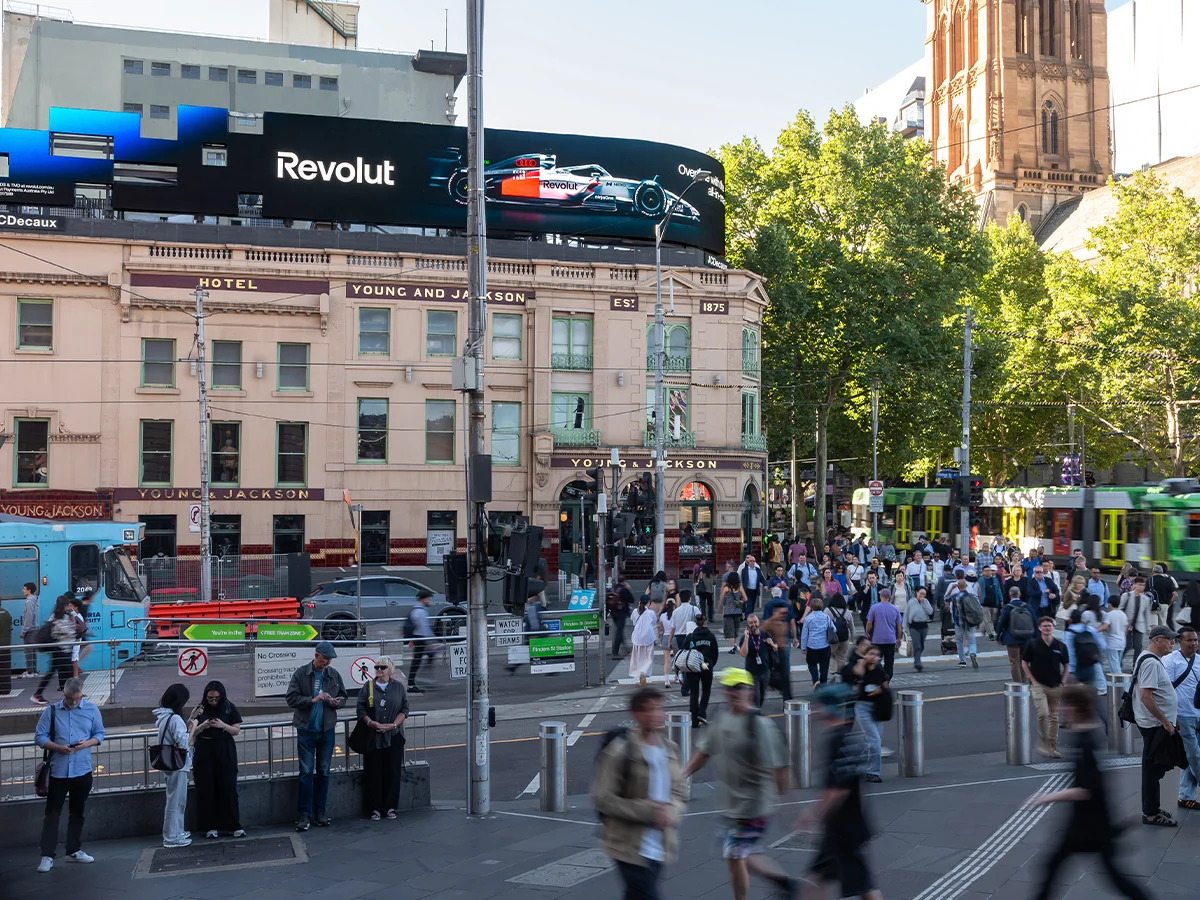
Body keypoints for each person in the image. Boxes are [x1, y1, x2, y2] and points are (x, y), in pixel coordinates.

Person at [1028, 685, 1153, 900]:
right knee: (1109, 876)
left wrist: (1045, 798)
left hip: (1087, 825)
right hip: (1092, 822)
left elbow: (1084, 790)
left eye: (1066, 705)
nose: (1063, 709)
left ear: (1076, 708)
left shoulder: (1085, 743)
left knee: (1055, 867)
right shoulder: (1088, 737)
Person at [683, 669, 795, 900]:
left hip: (755, 804)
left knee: (735, 854)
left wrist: (786, 803)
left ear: (749, 691)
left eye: (738, 688)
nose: (733, 693)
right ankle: (776, 884)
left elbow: (779, 767)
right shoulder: (721, 717)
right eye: (729, 688)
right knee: (736, 856)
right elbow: (705, 751)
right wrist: (682, 774)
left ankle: (784, 883)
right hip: (732, 804)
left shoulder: (759, 725)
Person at [593, 687, 688, 900]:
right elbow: (602, 798)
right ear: (635, 714)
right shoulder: (621, 751)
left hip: (661, 844)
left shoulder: (670, 749)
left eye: (657, 708)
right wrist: (648, 811)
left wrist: (671, 812)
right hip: (626, 845)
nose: (654, 714)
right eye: (647, 710)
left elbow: (680, 792)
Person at [34, 677, 104, 873]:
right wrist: (58, 747)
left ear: (82, 695)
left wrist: (87, 744)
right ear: (63, 694)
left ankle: (73, 850)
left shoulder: (91, 709)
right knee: (52, 815)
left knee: (77, 812)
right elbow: (39, 736)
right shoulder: (52, 710)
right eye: (68, 699)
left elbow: (99, 733)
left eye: (76, 699)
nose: (72, 703)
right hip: (58, 771)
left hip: (82, 769)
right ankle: (47, 855)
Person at [285, 640, 346, 831]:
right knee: (306, 773)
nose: (327, 663)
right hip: (306, 730)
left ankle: (320, 812)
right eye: (325, 659)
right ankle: (304, 814)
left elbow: (344, 696)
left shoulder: (333, 675)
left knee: (324, 772)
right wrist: (313, 699)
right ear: (316, 655)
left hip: (326, 730)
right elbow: (291, 698)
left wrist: (338, 702)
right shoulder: (301, 674)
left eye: (329, 660)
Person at [1132, 625, 1180, 826]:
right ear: (1157, 640)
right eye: (1169, 639)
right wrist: (1165, 722)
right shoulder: (1151, 663)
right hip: (1154, 725)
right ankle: (1150, 813)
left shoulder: (1148, 658)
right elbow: (1146, 696)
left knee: (1154, 767)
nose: (1172, 643)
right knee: (1152, 769)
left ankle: (1152, 808)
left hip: (1152, 723)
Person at [356, 655, 409, 820]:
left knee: (392, 772)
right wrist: (371, 723)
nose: (378, 670)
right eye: (376, 667)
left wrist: (393, 725)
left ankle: (390, 806)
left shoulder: (398, 687)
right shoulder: (368, 687)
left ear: (389, 670)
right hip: (374, 736)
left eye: (382, 667)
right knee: (373, 772)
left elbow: (405, 709)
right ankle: (375, 808)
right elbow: (360, 709)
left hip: (393, 735)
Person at [190, 680, 244, 839]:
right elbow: (191, 732)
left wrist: (222, 725)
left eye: (216, 698)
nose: (213, 701)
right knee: (206, 789)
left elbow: (236, 730)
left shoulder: (229, 707)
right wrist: (203, 726)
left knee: (228, 787)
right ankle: (209, 826)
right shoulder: (199, 709)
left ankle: (233, 825)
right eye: (210, 698)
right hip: (204, 749)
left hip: (224, 749)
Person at [1021, 617, 1070, 758]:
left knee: (1054, 717)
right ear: (1039, 628)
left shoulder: (1060, 646)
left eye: (1049, 626)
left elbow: (1066, 664)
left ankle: (1052, 747)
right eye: (1044, 626)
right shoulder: (1033, 644)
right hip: (1039, 685)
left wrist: (1063, 681)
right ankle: (1043, 742)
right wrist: (1032, 680)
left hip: (1056, 685)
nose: (1047, 628)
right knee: (1043, 714)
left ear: (1053, 627)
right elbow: (1024, 662)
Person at [1164, 626, 1200, 811]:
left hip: (1198, 714)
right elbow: (1165, 690)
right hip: (1182, 716)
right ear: (1179, 641)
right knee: (1195, 755)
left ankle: (1185, 796)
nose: (1194, 643)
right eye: (1189, 640)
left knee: (1191, 757)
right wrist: (1171, 717)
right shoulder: (1170, 661)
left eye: (1195, 640)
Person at [840, 639, 887, 784]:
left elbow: (886, 685)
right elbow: (856, 674)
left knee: (874, 741)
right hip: (863, 707)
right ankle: (873, 772)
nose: (874, 656)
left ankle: (852, 757)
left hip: (877, 708)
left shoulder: (879, 669)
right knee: (875, 740)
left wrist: (880, 689)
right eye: (871, 653)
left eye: (877, 654)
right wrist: (862, 662)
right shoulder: (861, 666)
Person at [155, 683, 193, 847]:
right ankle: (172, 837)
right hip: (178, 765)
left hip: (169, 763)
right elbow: (184, 743)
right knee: (176, 802)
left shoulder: (164, 717)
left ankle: (177, 832)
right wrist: (194, 728)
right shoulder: (175, 718)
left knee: (175, 800)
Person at [33, 595, 84, 704]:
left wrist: (73, 619)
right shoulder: (58, 620)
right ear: (63, 606)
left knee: (56, 672)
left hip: (63, 650)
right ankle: (72, 694)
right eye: (67, 606)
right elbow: (70, 634)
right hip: (60, 651)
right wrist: (74, 627)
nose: (69, 608)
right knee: (64, 672)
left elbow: (76, 629)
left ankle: (71, 694)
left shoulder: (64, 617)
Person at [1064, 608, 1108, 728]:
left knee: (1072, 695)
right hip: (1090, 666)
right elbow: (1103, 646)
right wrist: (1095, 656)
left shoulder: (1069, 633)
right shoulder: (1089, 629)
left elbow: (1070, 653)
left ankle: (1071, 721)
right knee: (1091, 693)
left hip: (1077, 668)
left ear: (1071, 620)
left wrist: (1071, 671)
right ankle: (1104, 719)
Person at [996, 586, 1036, 683]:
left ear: (1010, 595)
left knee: (1014, 662)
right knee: (1024, 661)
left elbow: (1001, 623)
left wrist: (998, 637)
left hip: (1011, 638)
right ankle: (1024, 681)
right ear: (1020, 594)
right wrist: (1035, 637)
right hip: (1026, 638)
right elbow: (1035, 622)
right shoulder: (1028, 606)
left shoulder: (1007, 608)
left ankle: (1018, 684)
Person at [738, 614, 778, 708]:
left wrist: (772, 644)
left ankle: (756, 711)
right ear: (748, 624)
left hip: (765, 671)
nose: (753, 624)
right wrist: (746, 639)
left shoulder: (765, 634)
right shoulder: (745, 638)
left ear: (758, 622)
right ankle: (756, 714)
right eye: (751, 623)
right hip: (752, 672)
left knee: (762, 695)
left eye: (755, 622)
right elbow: (743, 653)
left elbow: (776, 649)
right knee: (755, 696)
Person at [686, 615, 719, 725]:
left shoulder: (691, 636)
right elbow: (715, 653)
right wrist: (710, 664)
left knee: (694, 693)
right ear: (706, 623)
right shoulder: (711, 636)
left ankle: (694, 720)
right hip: (707, 666)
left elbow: (683, 650)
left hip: (692, 667)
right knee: (706, 690)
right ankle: (701, 712)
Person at [944, 568, 981, 669]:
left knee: (959, 641)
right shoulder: (971, 596)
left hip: (958, 622)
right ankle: (973, 653)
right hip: (970, 621)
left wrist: (951, 589)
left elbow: (945, 598)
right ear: (966, 586)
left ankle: (962, 660)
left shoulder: (955, 596)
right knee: (972, 640)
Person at [864, 589, 902, 680]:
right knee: (889, 662)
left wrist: (867, 633)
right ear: (889, 597)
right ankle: (887, 679)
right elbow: (899, 625)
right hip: (890, 639)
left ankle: (879, 677)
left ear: (881, 596)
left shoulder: (874, 607)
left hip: (877, 640)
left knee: (876, 661)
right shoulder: (895, 609)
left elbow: (869, 623)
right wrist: (898, 638)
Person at [761, 600, 794, 702]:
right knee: (769, 678)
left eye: (785, 613)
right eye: (782, 613)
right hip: (772, 654)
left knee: (785, 678)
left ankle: (787, 700)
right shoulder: (768, 624)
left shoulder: (784, 624)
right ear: (775, 612)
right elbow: (761, 637)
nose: (784, 615)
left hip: (783, 653)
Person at [406, 589, 436, 694]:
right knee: (417, 661)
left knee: (424, 658)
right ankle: (413, 683)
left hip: (418, 638)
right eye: (428, 599)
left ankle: (420, 679)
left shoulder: (416, 609)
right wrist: (430, 641)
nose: (429, 601)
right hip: (421, 638)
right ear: (423, 599)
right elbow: (424, 628)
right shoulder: (421, 611)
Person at [1120, 577, 1155, 667]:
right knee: (1127, 645)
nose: (1141, 587)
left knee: (1138, 646)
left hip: (1139, 624)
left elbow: (1147, 613)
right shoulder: (1127, 596)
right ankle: (1119, 661)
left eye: (1143, 585)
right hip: (1127, 624)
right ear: (1134, 585)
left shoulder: (1145, 599)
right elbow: (1120, 609)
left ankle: (1136, 665)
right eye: (1139, 584)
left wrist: (1148, 627)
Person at [800, 596, 834, 688]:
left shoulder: (808, 618)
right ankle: (823, 684)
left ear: (811, 607)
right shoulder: (826, 617)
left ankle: (815, 681)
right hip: (825, 645)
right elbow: (834, 629)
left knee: (812, 664)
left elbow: (804, 634)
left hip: (812, 646)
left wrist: (803, 647)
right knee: (824, 666)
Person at [903, 584, 934, 673]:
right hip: (914, 626)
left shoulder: (925, 601)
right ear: (917, 592)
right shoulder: (911, 602)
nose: (922, 596)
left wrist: (923, 602)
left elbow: (930, 611)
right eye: (920, 593)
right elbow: (906, 614)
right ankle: (917, 662)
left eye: (924, 594)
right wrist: (904, 628)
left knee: (921, 645)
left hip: (923, 625)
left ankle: (917, 657)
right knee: (917, 645)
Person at [629, 596, 658, 686]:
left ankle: (639, 672)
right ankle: (643, 672)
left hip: (637, 637)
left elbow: (634, 623)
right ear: (649, 602)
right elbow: (654, 622)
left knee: (637, 657)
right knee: (648, 657)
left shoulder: (635, 611)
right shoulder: (651, 612)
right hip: (648, 637)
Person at [826, 593, 855, 674]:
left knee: (831, 654)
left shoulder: (828, 610)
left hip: (832, 638)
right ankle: (841, 672)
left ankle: (833, 671)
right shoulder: (847, 612)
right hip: (844, 637)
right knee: (841, 656)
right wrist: (852, 636)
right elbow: (851, 625)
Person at [720, 572, 747, 653]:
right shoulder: (740, 588)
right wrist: (741, 601)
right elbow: (745, 598)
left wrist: (721, 609)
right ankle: (735, 644)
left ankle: (732, 647)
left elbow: (722, 599)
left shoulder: (726, 588)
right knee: (735, 630)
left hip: (728, 611)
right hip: (738, 611)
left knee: (730, 630)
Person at [610, 579, 635, 660]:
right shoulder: (624, 590)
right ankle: (615, 653)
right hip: (621, 613)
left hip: (613, 613)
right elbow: (632, 600)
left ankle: (626, 648)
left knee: (619, 631)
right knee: (619, 633)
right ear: (624, 582)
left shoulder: (612, 589)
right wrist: (627, 589)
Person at [977, 565, 1004, 639]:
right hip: (984, 602)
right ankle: (991, 634)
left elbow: (998, 591)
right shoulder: (980, 580)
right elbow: (977, 591)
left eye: (989, 570)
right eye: (986, 571)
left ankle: (982, 628)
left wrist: (1001, 600)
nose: (988, 572)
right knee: (987, 619)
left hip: (994, 602)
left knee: (993, 618)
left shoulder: (995, 580)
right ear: (983, 572)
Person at [1150, 564, 1180, 629]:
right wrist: (1169, 603)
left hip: (1154, 604)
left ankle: (1156, 636)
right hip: (1166, 603)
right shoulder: (1169, 578)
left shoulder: (1151, 580)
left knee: (1154, 624)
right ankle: (1173, 635)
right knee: (1168, 620)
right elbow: (1176, 589)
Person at [1105, 596, 1129, 674]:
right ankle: (1117, 681)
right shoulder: (1123, 614)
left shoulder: (1109, 615)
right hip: (1122, 641)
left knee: (1114, 665)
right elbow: (1126, 628)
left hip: (1112, 642)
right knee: (1117, 663)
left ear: (1109, 604)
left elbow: (1106, 627)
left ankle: (1119, 681)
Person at [20, 581, 39, 677]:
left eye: (24, 589)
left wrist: (24, 631)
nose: (22, 590)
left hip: (29, 630)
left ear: (29, 590)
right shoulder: (35, 600)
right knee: (33, 650)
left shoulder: (29, 602)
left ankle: (30, 671)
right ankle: (34, 671)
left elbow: (28, 617)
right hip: (35, 629)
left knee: (28, 651)